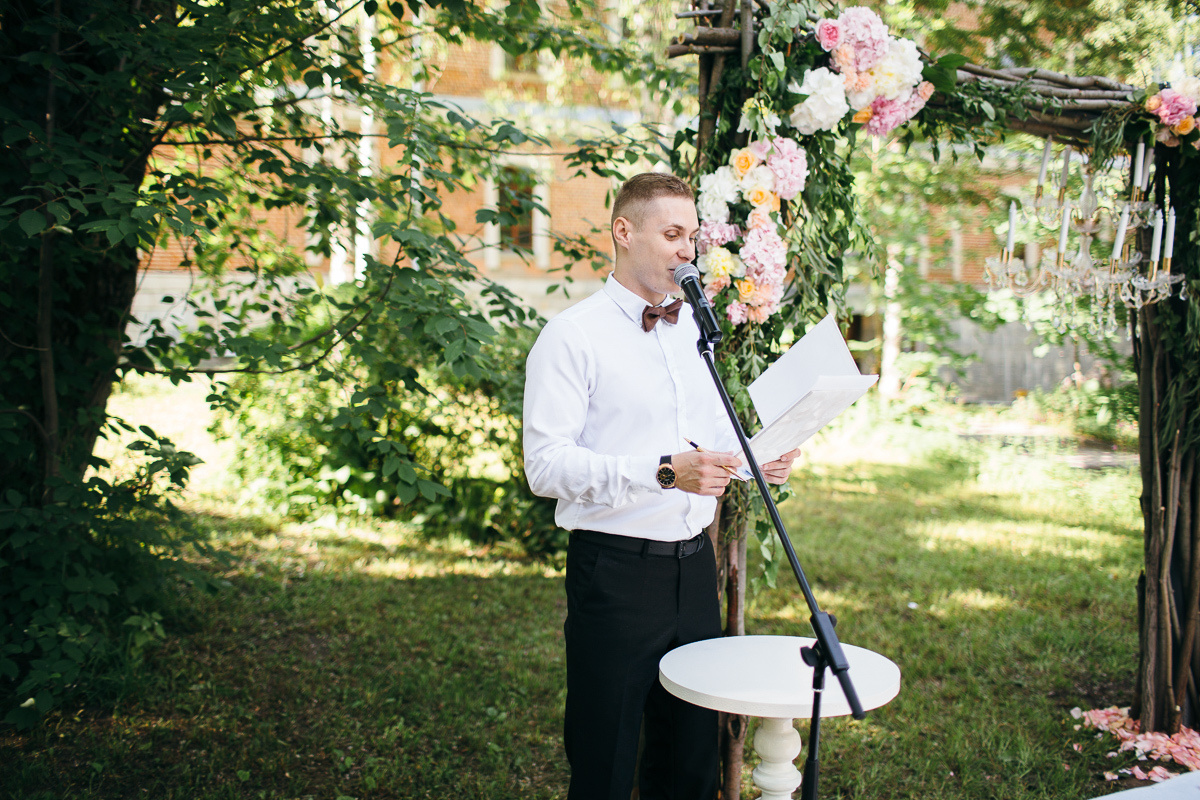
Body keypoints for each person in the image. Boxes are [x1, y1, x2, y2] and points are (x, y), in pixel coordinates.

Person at [522, 172, 800, 800]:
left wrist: (755, 459)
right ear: (624, 232)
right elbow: (545, 465)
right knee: (606, 759)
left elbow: (701, 443)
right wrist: (665, 471)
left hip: (694, 572)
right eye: (673, 234)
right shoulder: (572, 336)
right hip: (615, 575)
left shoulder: (692, 331)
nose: (688, 251)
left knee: (691, 762)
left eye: (693, 237)